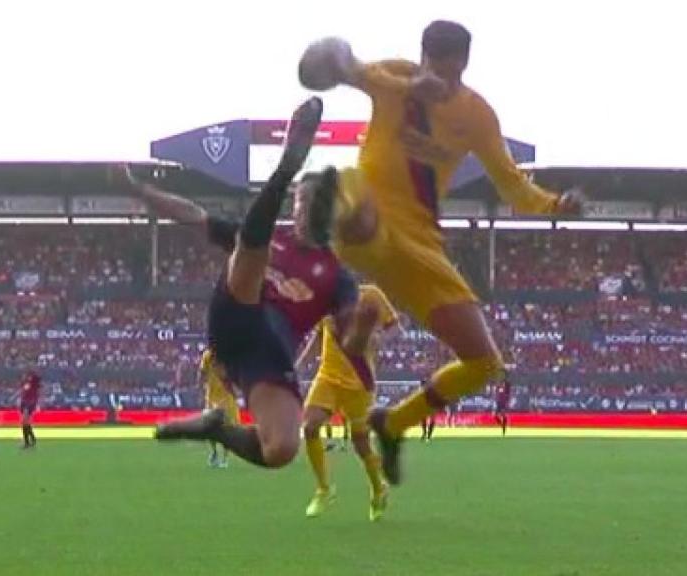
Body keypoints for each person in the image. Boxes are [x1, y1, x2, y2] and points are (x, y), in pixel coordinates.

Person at [298, 21, 584, 483]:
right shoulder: (395, 76)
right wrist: (405, 85)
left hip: (421, 243)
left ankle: (393, 424)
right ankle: (323, 209)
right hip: (372, 218)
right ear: (423, 57)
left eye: (451, 75)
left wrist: (554, 205)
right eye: (434, 70)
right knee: (357, 203)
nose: (441, 82)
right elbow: (319, 66)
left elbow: (511, 184)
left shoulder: (476, 115)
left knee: (484, 362)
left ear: (465, 65)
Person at [127, 98, 365, 469]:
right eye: (299, 201)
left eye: (313, 204)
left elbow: (351, 333)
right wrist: (141, 191)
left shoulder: (338, 276)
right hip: (236, 315)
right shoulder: (275, 241)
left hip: (267, 355)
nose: (303, 210)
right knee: (253, 247)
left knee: (281, 449)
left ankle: (215, 429)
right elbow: (194, 216)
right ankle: (286, 169)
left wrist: (359, 330)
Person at [297, 284, 399, 521]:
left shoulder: (371, 295)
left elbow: (394, 327)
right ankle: (324, 489)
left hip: (359, 382)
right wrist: (299, 365)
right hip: (328, 377)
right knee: (310, 427)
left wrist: (377, 340)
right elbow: (319, 335)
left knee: (361, 443)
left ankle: (378, 489)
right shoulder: (325, 295)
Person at [199, 348, 239, 468]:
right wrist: (200, 386)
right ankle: (214, 452)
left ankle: (225, 458)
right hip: (211, 397)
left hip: (227, 397)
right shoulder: (208, 355)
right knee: (209, 426)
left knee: (228, 428)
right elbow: (202, 372)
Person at [19, 371, 41, 449]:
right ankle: (31, 439)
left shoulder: (32, 386)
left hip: (28, 404)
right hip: (26, 403)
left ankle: (27, 442)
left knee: (24, 422)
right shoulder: (30, 385)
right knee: (26, 422)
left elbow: (29, 394)